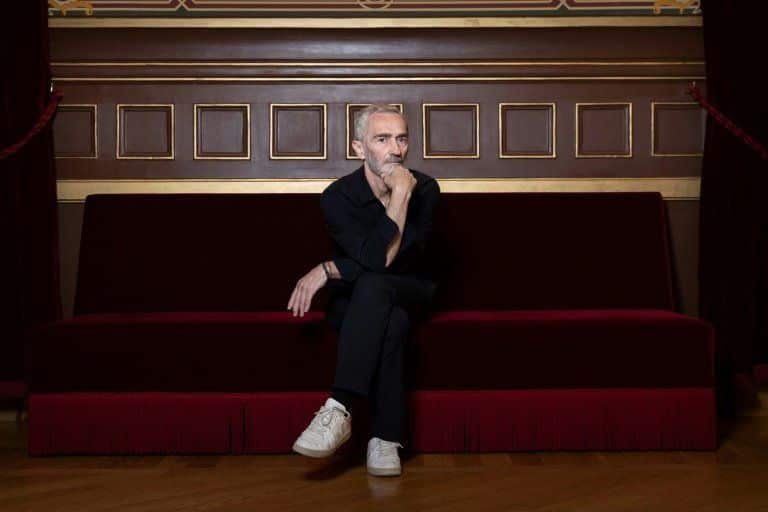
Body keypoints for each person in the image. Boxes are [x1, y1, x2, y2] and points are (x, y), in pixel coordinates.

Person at [286, 104, 440, 477]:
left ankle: (338, 407)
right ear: (359, 148)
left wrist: (331, 268)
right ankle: (385, 438)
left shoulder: (425, 189)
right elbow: (373, 260)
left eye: (401, 139)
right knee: (392, 321)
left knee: (379, 285)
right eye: (382, 139)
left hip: (411, 287)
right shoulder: (337, 196)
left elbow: (397, 262)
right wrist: (397, 199)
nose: (395, 150)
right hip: (358, 298)